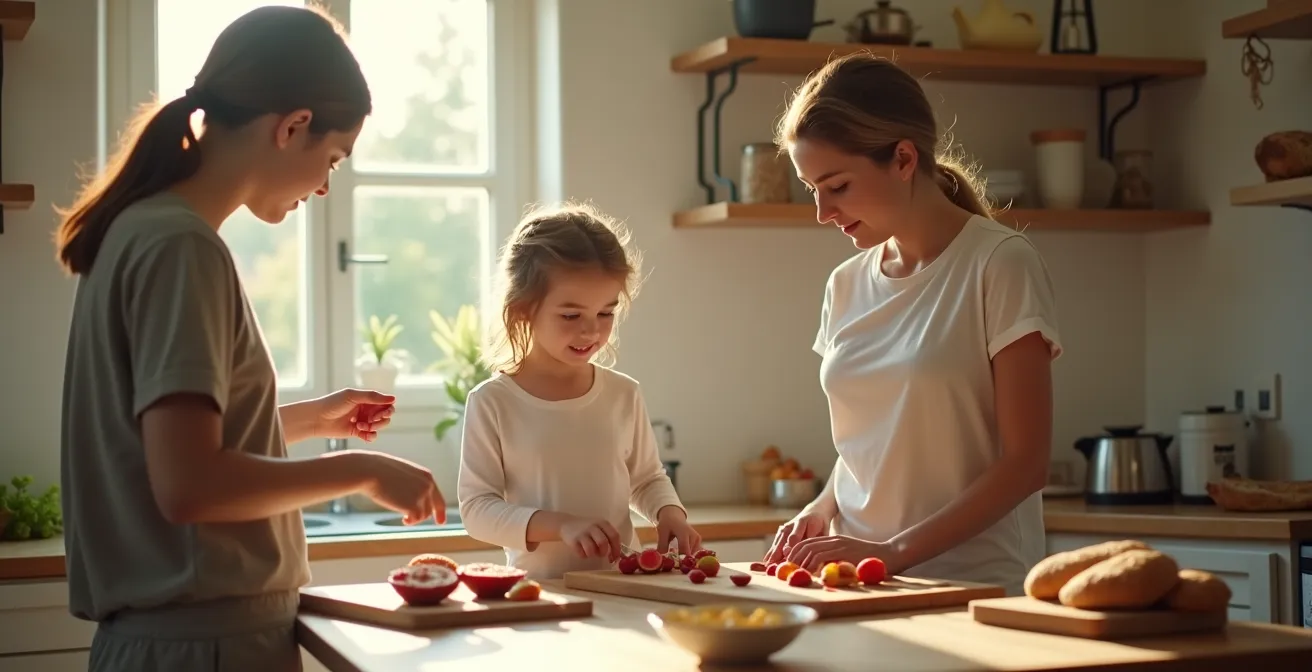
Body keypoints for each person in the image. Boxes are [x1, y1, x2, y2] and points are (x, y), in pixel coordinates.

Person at [53, 7, 445, 670]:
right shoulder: (182, 247)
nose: (325, 187)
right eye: (332, 157)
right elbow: (191, 485)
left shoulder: (140, 230)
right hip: (204, 646)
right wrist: (364, 469)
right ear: (293, 127)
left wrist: (315, 419)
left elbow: (165, 446)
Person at [762, 52, 1063, 597]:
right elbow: (873, 441)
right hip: (854, 582)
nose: (822, 212)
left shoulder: (1000, 263)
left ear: (903, 158)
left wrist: (892, 552)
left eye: (838, 186)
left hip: (972, 588)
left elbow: (1026, 464)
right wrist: (821, 505)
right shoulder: (845, 284)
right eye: (813, 190)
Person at [458, 202, 702, 580]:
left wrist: (669, 512)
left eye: (606, 313)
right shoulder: (492, 402)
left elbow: (647, 479)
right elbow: (477, 510)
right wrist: (560, 525)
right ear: (522, 309)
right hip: (540, 593)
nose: (591, 332)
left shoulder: (623, 394)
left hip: (625, 587)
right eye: (571, 316)